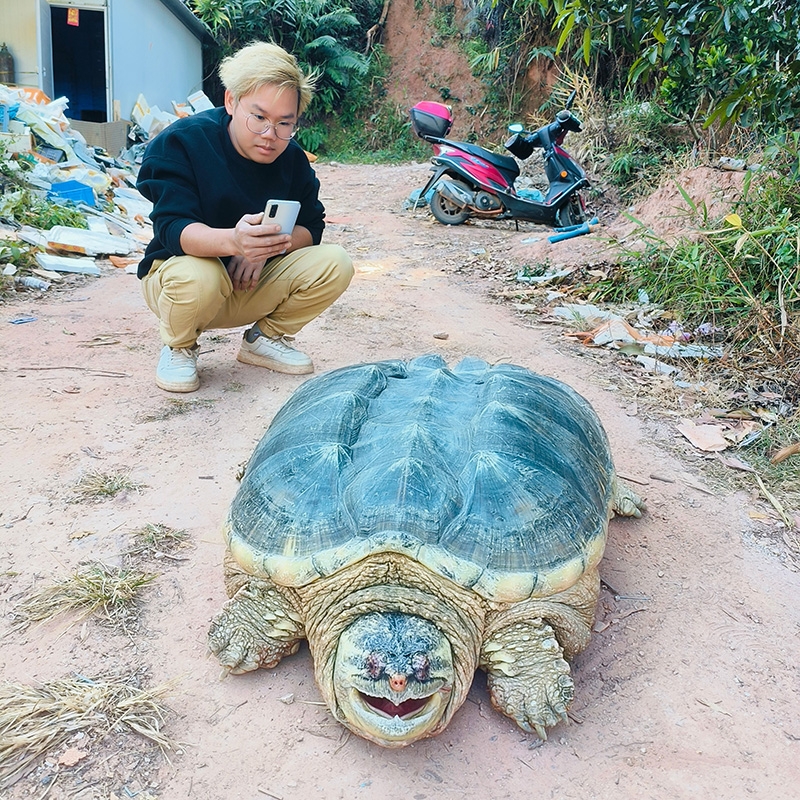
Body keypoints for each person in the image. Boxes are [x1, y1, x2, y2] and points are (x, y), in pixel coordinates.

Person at [136, 42, 353, 393]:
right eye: (260, 117)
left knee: (335, 262)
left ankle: (263, 340)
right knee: (197, 274)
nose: (271, 135)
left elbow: (312, 227)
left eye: (285, 123)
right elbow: (172, 228)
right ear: (231, 101)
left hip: (250, 285)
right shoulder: (182, 143)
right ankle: (179, 346)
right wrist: (234, 243)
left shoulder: (292, 158)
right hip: (186, 283)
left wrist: (264, 248)